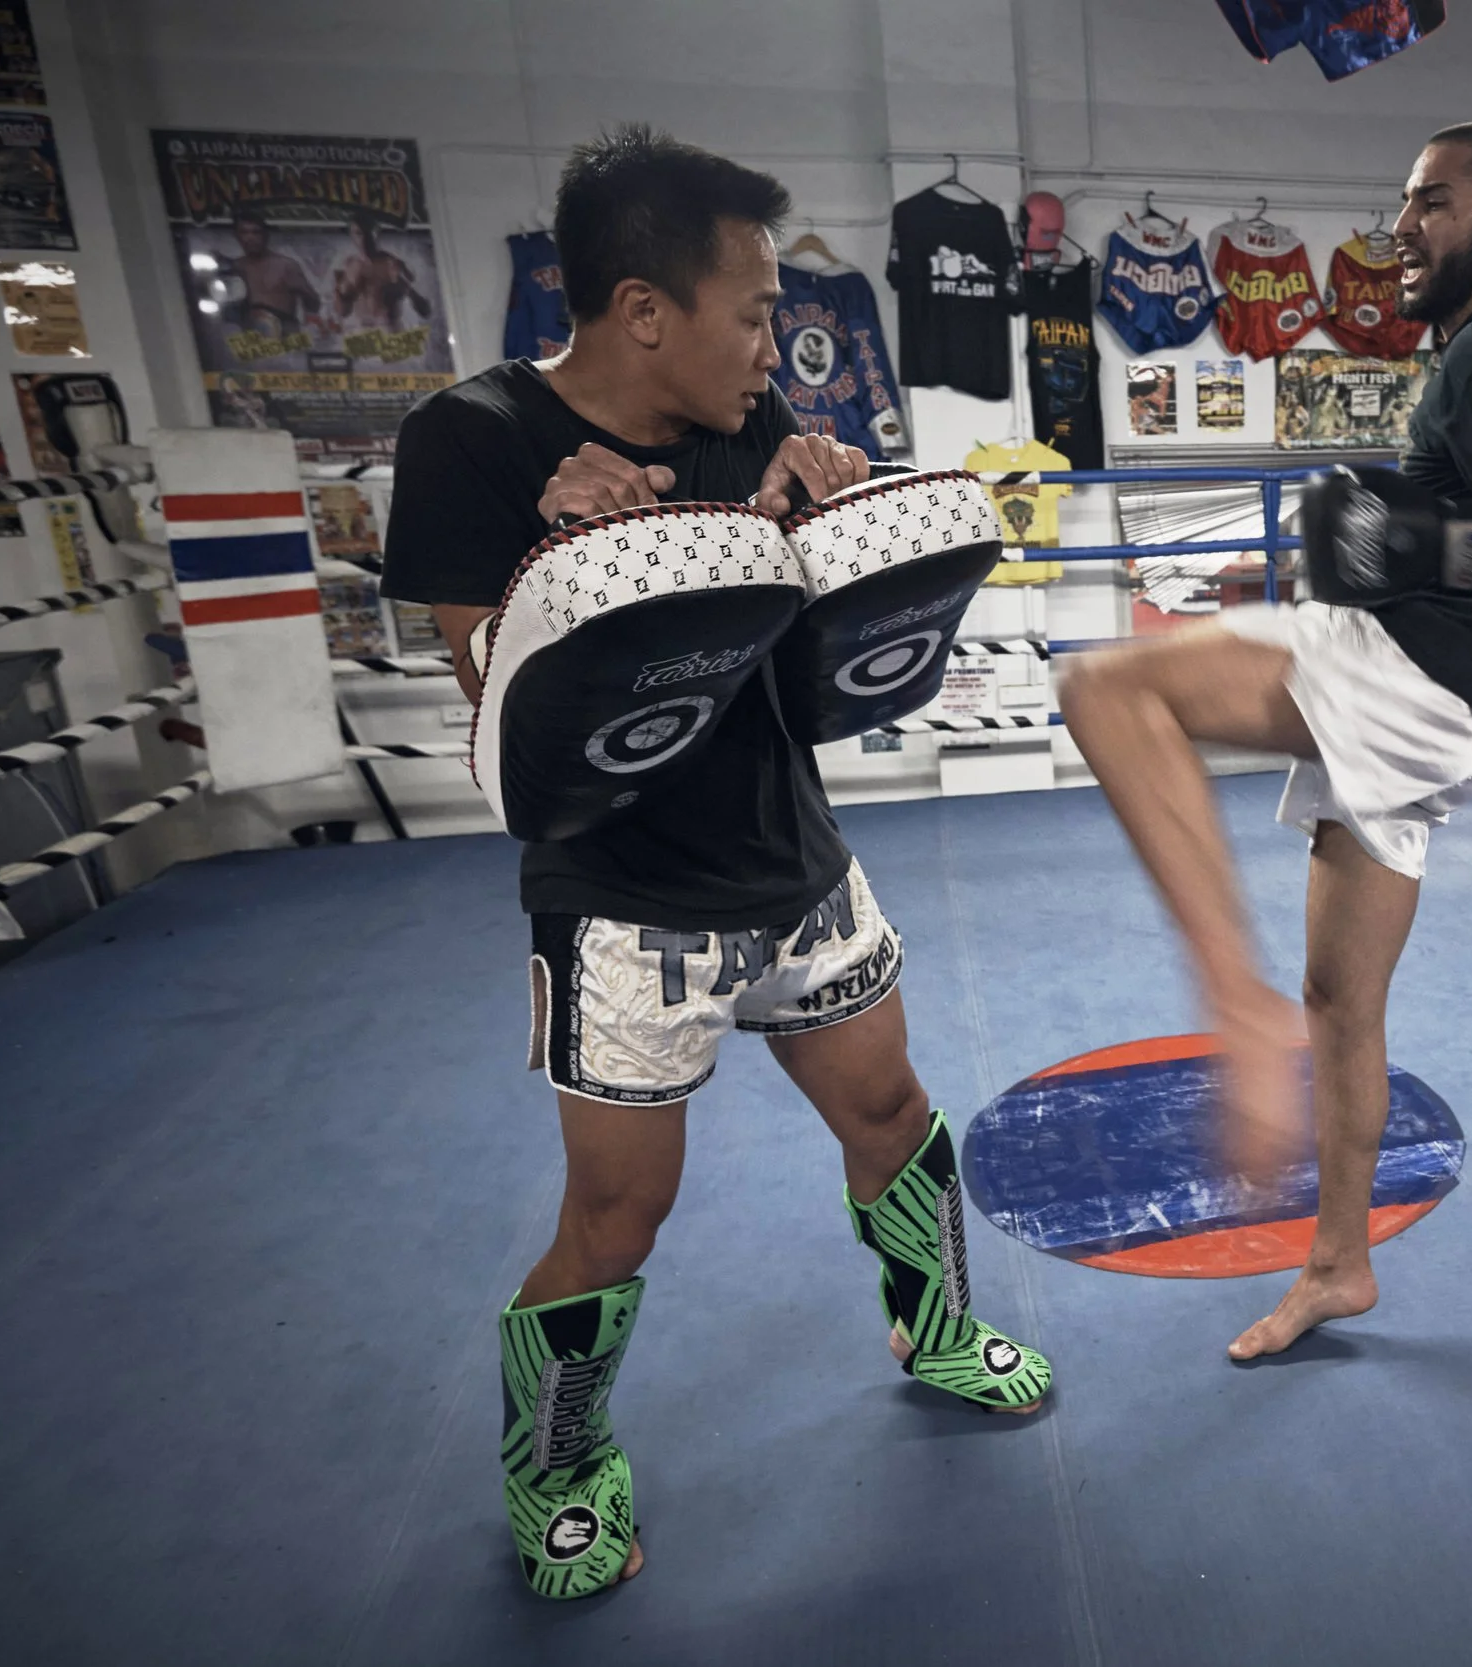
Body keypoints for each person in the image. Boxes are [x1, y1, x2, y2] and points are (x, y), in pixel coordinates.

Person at [381, 125, 1049, 1603]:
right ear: (642, 310)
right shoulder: (475, 440)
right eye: (753, 311)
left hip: (790, 855)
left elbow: (794, 672)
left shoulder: (753, 430)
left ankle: (932, 1326)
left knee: (894, 1109)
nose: (775, 343)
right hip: (621, 902)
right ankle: (557, 1462)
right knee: (620, 1212)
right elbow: (493, 710)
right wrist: (557, 572)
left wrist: (828, 539)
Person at [1059, 120, 1472, 1361]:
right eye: (1404, 203)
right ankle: (1339, 1264)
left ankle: (1231, 1004)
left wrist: (1431, 547)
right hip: (1447, 709)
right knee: (1342, 1002)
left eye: (1432, 203)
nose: (1404, 228)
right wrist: (1422, 521)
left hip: (1408, 682)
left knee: (1108, 689)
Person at [330, 209, 433, 332]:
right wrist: (342, 291)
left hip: (392, 337)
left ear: (376, 233)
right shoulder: (347, 266)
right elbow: (342, 312)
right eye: (358, 233)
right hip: (363, 338)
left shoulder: (393, 264)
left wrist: (405, 289)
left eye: (368, 233)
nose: (364, 239)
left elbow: (426, 311)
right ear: (351, 235)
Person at [227, 212, 323, 340]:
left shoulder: (286, 266)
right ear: (236, 236)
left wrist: (309, 320)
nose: (250, 238)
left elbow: (313, 302)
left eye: (256, 232)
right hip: (249, 339)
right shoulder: (235, 267)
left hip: (284, 334)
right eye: (244, 232)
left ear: (265, 235)